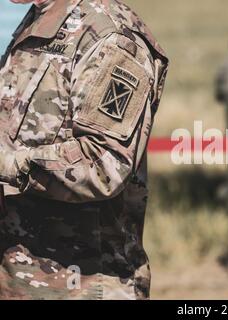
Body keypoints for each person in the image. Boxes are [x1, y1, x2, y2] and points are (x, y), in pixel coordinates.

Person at [0, 0, 168, 300]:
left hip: (83, 287)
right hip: (22, 280)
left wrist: (8, 165)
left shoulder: (110, 36)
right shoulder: (41, 20)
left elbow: (104, 164)